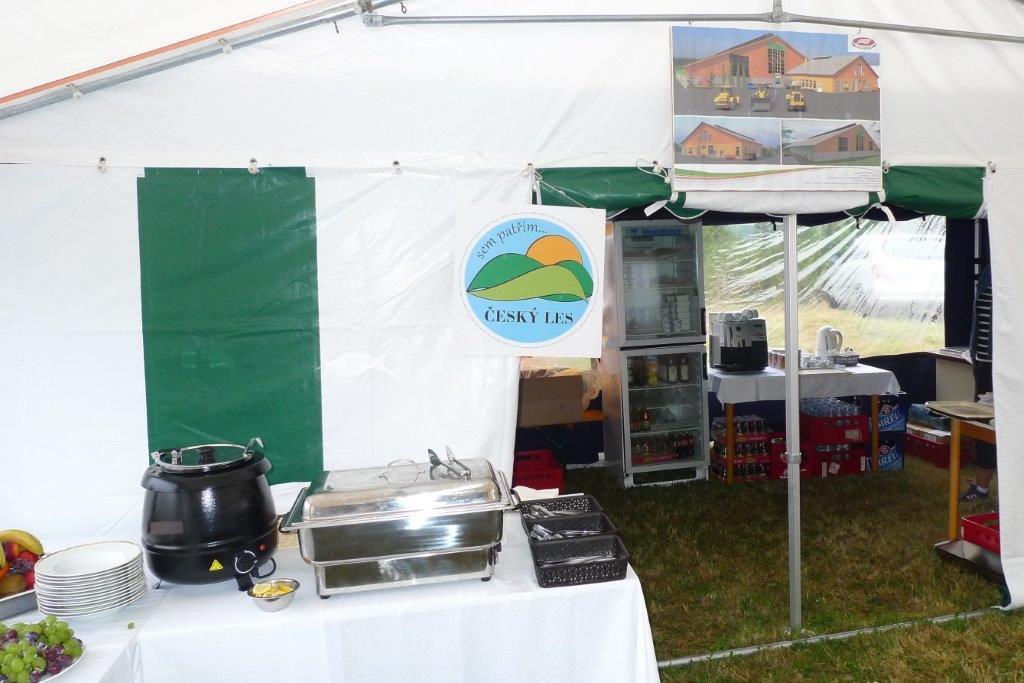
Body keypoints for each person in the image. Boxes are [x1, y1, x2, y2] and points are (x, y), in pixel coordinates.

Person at [961, 265, 995, 502]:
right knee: (983, 425)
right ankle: (981, 489)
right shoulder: (989, 271)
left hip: (1009, 368)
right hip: (983, 364)